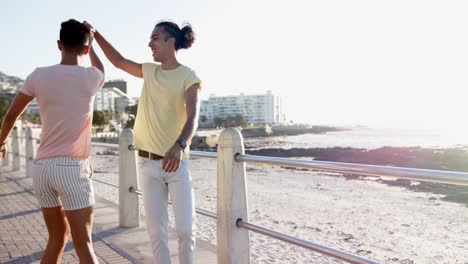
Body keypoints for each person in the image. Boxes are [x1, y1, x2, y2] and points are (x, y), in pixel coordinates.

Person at [85, 20, 201, 264]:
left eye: (155, 38)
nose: (150, 43)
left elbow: (193, 118)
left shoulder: (188, 76)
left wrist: (179, 145)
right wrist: (96, 36)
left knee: (185, 230)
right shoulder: (150, 71)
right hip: (148, 165)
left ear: (171, 41)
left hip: (177, 165)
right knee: (156, 232)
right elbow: (118, 60)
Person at [0, 19, 105, 263]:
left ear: (59, 44)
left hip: (42, 169)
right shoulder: (91, 77)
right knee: (84, 244)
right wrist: (94, 37)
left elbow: (10, 116)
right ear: (86, 49)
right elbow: (101, 68)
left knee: (57, 237)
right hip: (71, 168)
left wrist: (2, 142)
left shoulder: (38, 75)